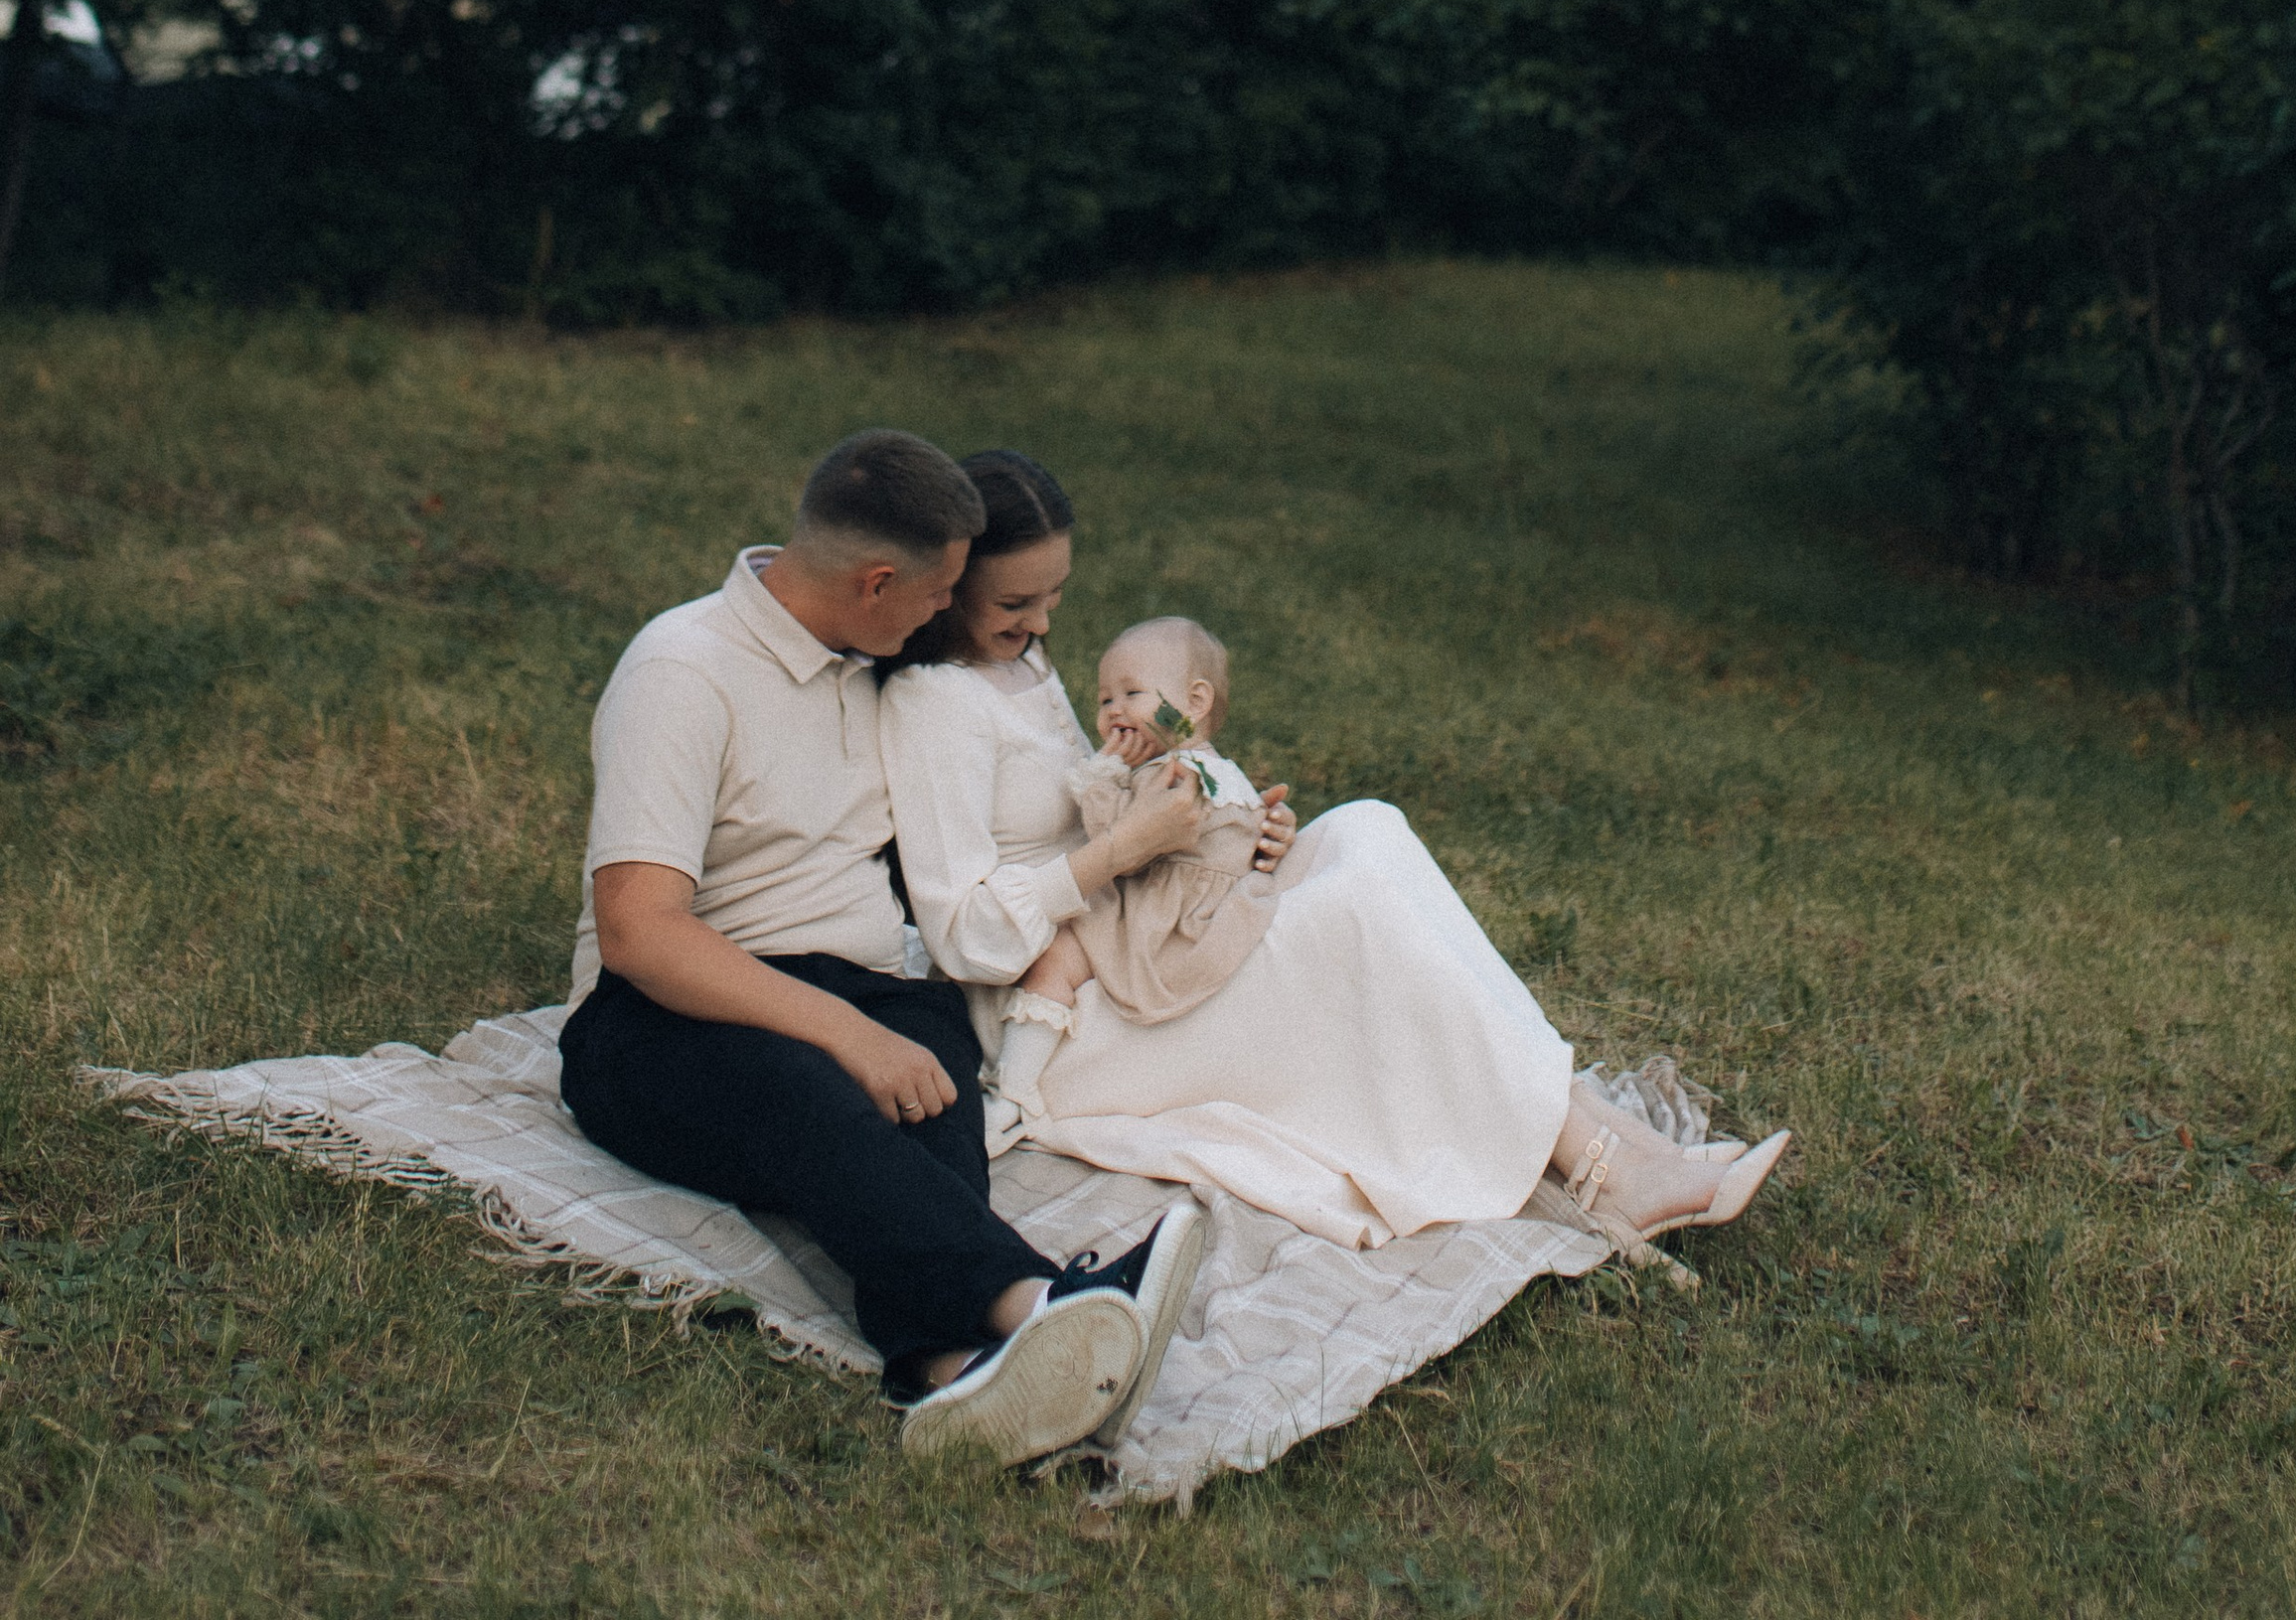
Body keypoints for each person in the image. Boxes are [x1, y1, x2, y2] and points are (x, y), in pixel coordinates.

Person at [877, 452, 1790, 1255]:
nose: (1042, 626)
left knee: (1364, 829)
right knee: (1355, 921)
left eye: (1055, 599)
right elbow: (961, 933)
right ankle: (1600, 1166)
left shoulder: (1021, 668)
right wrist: (1122, 851)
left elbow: (1112, 782)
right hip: (1071, 1008)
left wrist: (1225, 834)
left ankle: (1612, 1140)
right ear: (948, 582)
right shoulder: (932, 706)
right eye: (1015, 603)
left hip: (1138, 924)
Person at [555, 426, 1207, 1467]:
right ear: (872, 584)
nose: (948, 613)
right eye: (939, 590)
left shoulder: (873, 658)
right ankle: (1056, 1301)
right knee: (817, 1094)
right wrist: (847, 1036)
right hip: (665, 1018)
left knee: (928, 1088)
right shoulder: (684, 670)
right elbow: (641, 932)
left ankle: (948, 1372)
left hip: (869, 988)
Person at [994, 618, 1278, 1111]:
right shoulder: (1219, 773)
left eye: (1132, 693)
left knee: (1054, 953)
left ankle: (1012, 1089)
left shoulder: (1168, 777)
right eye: (1105, 700)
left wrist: (1102, 776)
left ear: (1193, 703)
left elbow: (1118, 846)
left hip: (1161, 919)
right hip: (1200, 906)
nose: (1115, 710)